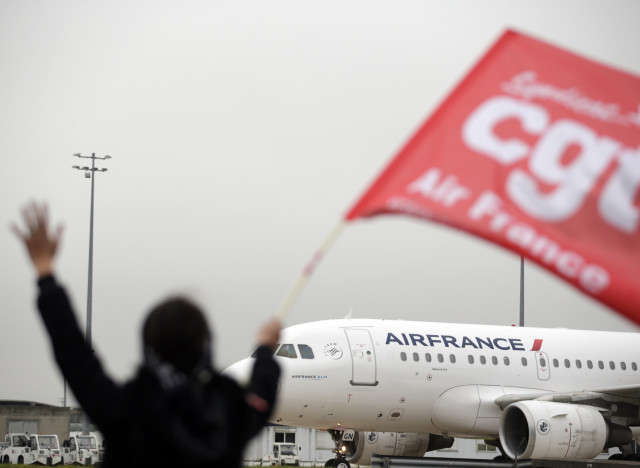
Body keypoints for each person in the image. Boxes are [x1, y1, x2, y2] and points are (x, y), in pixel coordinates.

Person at [12, 202, 281, 467]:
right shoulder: (230, 412)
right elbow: (262, 393)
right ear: (206, 345)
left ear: (148, 345)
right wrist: (266, 349)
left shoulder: (127, 409)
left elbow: (73, 353)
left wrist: (45, 273)